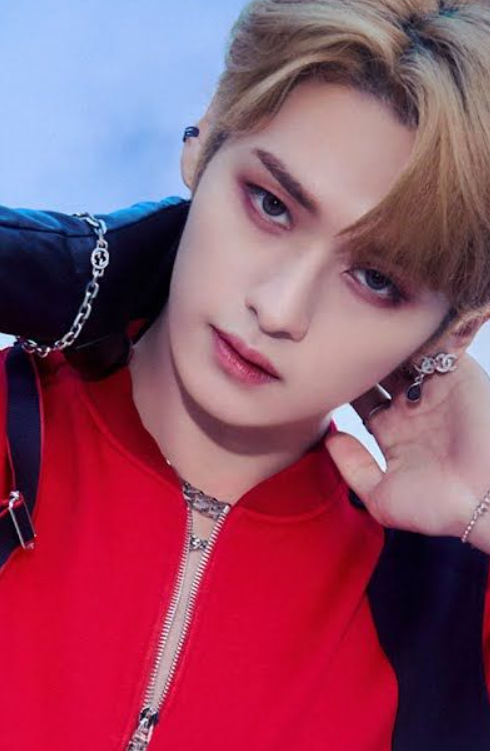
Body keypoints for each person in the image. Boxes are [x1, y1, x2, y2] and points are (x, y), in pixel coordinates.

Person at [1, 0, 490, 748]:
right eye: (271, 204)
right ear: (207, 134)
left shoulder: (452, 613)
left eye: (377, 279)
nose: (280, 308)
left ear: (455, 330)